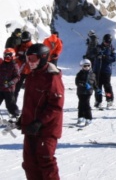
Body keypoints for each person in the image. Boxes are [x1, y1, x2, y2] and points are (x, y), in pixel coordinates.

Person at [18, 43, 64, 180]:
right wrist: (23, 118)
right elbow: (31, 103)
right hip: (31, 127)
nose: (29, 63)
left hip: (46, 129)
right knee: (29, 163)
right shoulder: (32, 76)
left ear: (43, 58)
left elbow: (56, 106)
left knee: (45, 161)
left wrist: (39, 122)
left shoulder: (52, 78)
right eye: (27, 59)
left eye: (32, 59)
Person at [93, 34, 116, 108]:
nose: (107, 43)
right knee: (98, 86)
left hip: (106, 70)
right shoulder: (98, 47)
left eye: (108, 42)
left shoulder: (112, 48)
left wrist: (105, 57)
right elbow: (92, 53)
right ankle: (98, 100)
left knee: (107, 86)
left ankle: (109, 99)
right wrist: (97, 55)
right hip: (97, 69)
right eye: (106, 42)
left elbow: (113, 59)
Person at [0, 48, 21, 121]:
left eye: (9, 55)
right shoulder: (2, 64)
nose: (7, 57)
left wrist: (11, 83)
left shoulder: (14, 65)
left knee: (10, 104)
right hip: (1, 87)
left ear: (13, 56)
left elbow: (17, 77)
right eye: (6, 55)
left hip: (9, 89)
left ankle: (16, 115)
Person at [74, 58, 96, 127]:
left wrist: (97, 89)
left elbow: (94, 83)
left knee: (86, 104)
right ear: (82, 66)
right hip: (80, 92)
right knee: (80, 104)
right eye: (85, 66)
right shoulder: (79, 74)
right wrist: (83, 84)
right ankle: (81, 117)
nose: (87, 67)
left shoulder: (92, 74)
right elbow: (77, 82)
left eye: (88, 66)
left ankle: (88, 118)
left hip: (88, 92)